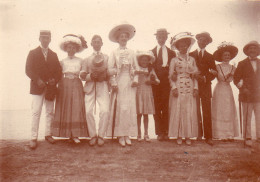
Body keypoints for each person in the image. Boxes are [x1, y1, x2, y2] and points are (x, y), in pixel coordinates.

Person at [25, 30, 62, 149]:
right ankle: (33, 137)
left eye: (47, 38)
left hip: (50, 88)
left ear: (50, 39)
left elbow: (59, 72)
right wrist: (37, 80)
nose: (45, 40)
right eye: (43, 38)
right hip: (37, 87)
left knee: (49, 112)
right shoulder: (32, 53)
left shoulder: (54, 54)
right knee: (36, 112)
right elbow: (28, 70)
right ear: (39, 39)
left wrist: (54, 80)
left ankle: (48, 134)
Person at [51, 34, 89, 143]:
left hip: (76, 83)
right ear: (65, 48)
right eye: (69, 47)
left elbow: (83, 73)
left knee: (76, 107)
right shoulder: (62, 61)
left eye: (73, 47)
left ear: (76, 49)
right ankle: (67, 134)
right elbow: (58, 74)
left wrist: (82, 74)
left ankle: (75, 135)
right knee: (66, 107)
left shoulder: (81, 61)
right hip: (64, 84)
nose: (71, 49)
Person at [107, 22, 138, 147]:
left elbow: (136, 68)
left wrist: (135, 79)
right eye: (121, 37)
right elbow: (110, 69)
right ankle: (120, 135)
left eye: (125, 36)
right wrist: (113, 82)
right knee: (120, 108)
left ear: (128, 39)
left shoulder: (131, 52)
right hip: (119, 82)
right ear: (118, 39)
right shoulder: (114, 53)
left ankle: (127, 134)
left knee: (129, 108)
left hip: (129, 83)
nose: (123, 39)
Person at [168, 32, 199, 145]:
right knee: (178, 109)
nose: (183, 48)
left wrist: (195, 88)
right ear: (178, 47)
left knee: (188, 110)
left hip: (189, 85)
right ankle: (179, 135)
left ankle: (188, 135)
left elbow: (195, 75)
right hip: (178, 84)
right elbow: (170, 76)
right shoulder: (174, 60)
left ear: (188, 46)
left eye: (185, 45)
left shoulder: (192, 60)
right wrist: (174, 87)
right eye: (181, 46)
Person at [80, 35, 110, 146]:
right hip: (90, 87)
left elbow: (110, 72)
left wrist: (104, 76)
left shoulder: (107, 58)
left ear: (102, 43)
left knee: (105, 111)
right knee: (88, 111)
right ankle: (93, 136)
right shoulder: (86, 59)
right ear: (92, 44)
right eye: (95, 42)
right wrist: (90, 76)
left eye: (99, 42)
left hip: (103, 86)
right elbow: (82, 75)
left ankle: (101, 136)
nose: (97, 44)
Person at [190, 31, 216, 145]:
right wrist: (194, 75)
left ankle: (208, 137)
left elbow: (214, 72)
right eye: (201, 39)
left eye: (205, 40)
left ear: (207, 43)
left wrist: (205, 78)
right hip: (193, 86)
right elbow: (187, 69)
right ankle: (198, 134)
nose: (202, 42)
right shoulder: (191, 55)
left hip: (205, 86)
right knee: (194, 110)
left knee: (206, 111)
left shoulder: (211, 56)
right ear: (198, 40)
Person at [234, 41, 260, 147]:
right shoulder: (242, 63)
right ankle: (247, 137)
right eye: (250, 49)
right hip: (247, 94)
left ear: (258, 51)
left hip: (259, 95)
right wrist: (243, 88)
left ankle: (259, 136)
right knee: (247, 116)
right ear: (247, 51)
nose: (252, 50)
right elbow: (236, 79)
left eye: (255, 48)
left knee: (259, 116)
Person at [151, 28, 176, 141]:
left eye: (163, 36)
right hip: (155, 84)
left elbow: (173, 68)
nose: (161, 38)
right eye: (159, 36)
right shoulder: (151, 52)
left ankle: (166, 131)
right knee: (156, 107)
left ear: (166, 38)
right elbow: (149, 68)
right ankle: (159, 132)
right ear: (156, 38)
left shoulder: (172, 52)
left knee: (166, 106)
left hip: (166, 83)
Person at [211, 41, 239, 140]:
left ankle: (229, 134)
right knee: (220, 110)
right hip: (219, 89)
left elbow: (236, 80)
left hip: (228, 89)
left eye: (228, 55)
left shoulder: (233, 68)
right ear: (221, 56)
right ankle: (220, 134)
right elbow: (213, 75)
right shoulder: (217, 66)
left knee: (228, 110)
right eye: (225, 55)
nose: (227, 56)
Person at [135, 51, 159, 142]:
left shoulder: (150, 70)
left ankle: (146, 133)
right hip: (139, 93)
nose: (144, 62)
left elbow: (157, 81)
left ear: (149, 61)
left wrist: (152, 81)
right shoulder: (137, 69)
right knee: (139, 114)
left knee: (146, 115)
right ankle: (138, 133)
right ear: (139, 61)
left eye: (146, 60)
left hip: (147, 93)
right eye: (142, 60)